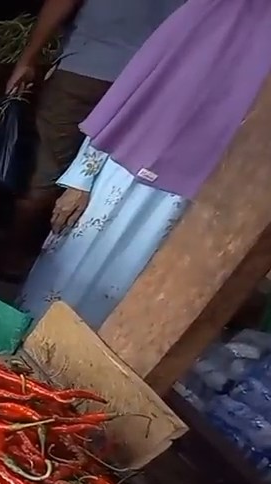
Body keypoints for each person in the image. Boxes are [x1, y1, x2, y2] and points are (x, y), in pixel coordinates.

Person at [16, 0, 271, 328]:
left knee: (124, 307)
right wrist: (83, 175)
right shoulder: (212, 10)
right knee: (57, 289)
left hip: (199, 199)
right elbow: (137, 83)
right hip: (120, 171)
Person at [0, 0, 184, 277]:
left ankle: (13, 256)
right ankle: (52, 266)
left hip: (84, 72)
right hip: (143, 87)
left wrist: (27, 58)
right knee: (103, 179)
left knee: (48, 167)